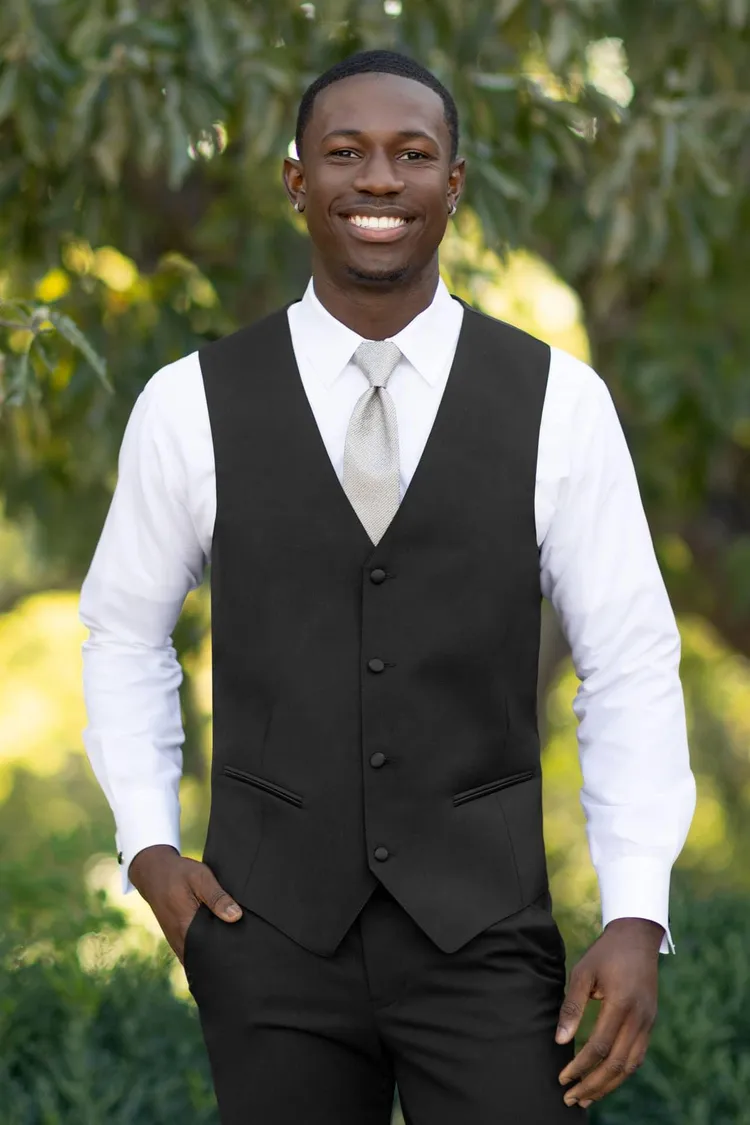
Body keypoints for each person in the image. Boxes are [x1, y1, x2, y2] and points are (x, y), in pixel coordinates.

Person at [79, 49, 696, 1124]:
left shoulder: (561, 402)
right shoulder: (189, 405)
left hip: (487, 939)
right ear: (296, 182)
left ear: (452, 184)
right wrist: (146, 846)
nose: (378, 180)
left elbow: (630, 662)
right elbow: (123, 633)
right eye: (345, 153)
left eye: (411, 155)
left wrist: (638, 909)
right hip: (266, 940)